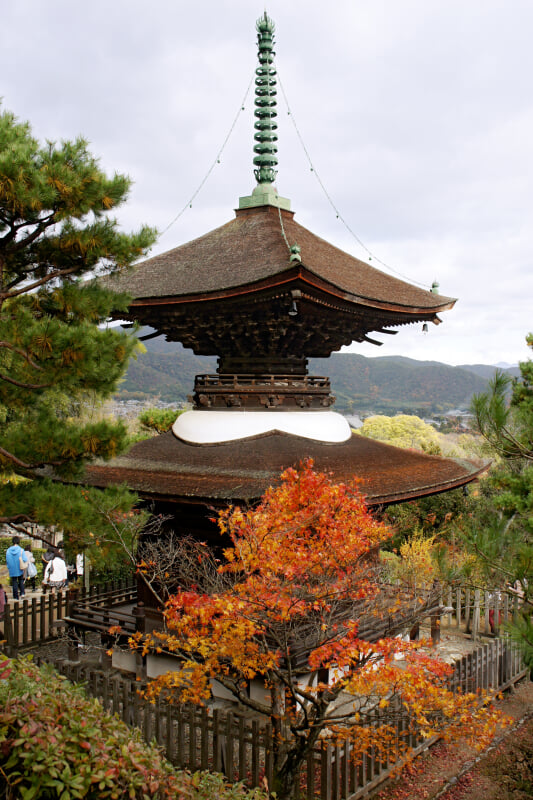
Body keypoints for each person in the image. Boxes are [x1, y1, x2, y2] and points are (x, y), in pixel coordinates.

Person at [5, 536, 27, 600]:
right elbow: (25, 559)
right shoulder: (21, 550)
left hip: (12, 568)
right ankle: (22, 593)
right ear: (18, 542)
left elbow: (7, 560)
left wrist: (9, 567)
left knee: (14, 581)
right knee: (20, 580)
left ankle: (15, 595)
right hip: (19, 568)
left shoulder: (8, 550)